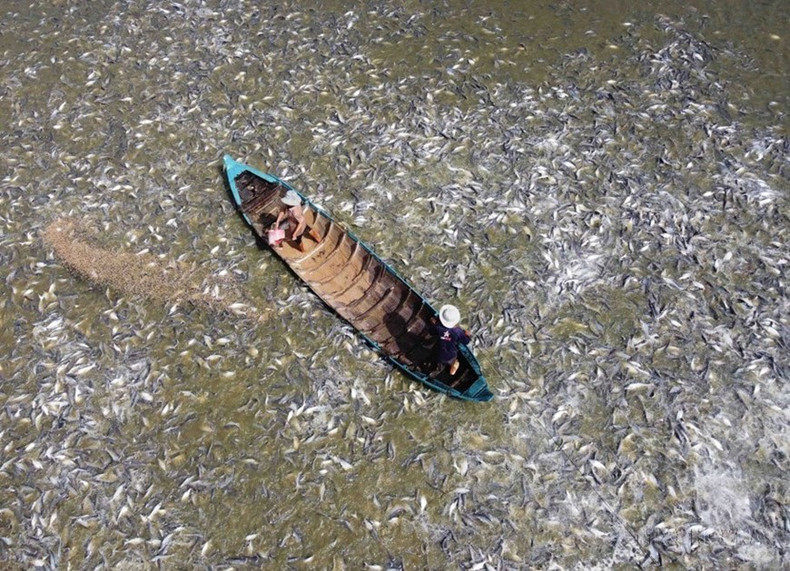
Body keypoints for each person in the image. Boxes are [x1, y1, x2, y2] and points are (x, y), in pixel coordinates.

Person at [429, 304, 471, 377]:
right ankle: (453, 366)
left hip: (437, 354)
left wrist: (433, 323)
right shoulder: (458, 331)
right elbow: (466, 341)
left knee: (439, 361)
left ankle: (437, 369)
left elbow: (431, 332)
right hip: (451, 355)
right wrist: (467, 335)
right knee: (453, 358)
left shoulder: (438, 327)